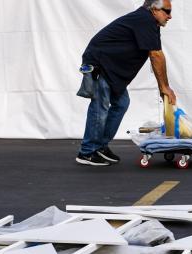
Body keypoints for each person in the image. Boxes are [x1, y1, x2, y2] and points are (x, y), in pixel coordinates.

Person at [75, 0, 177, 166]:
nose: (170, 16)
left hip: (111, 67)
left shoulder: (149, 22)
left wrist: (163, 88)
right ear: (154, 9)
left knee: (121, 103)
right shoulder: (145, 19)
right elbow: (156, 55)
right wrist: (164, 87)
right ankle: (87, 152)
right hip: (101, 64)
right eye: (167, 11)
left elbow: (155, 54)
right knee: (100, 107)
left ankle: (100, 146)